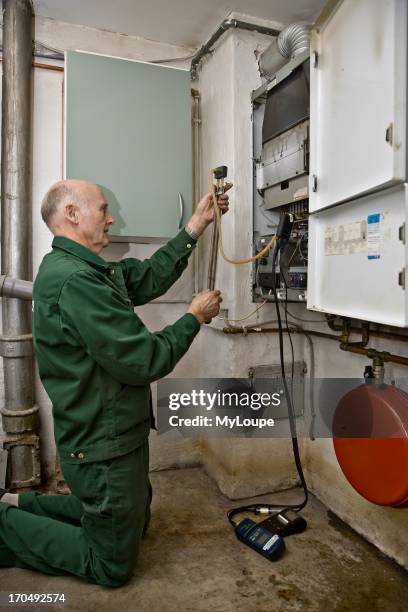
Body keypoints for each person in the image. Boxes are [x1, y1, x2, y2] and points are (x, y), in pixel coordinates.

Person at [0, 179, 229, 586]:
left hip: (119, 433)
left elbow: (145, 278)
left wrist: (195, 225)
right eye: (103, 209)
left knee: (134, 523)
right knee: (111, 564)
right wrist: (194, 317)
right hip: (102, 445)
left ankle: (23, 504)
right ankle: (6, 526)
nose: (111, 218)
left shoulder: (86, 269)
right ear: (72, 214)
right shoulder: (76, 281)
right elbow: (144, 360)